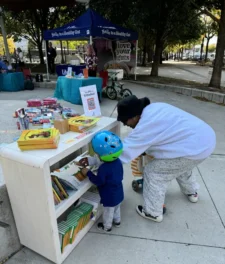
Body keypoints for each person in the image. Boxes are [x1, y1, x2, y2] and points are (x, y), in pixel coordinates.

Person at [79, 95, 216, 223]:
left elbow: (119, 153)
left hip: (194, 146)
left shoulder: (146, 125)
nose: (125, 125)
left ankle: (153, 212)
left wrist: (94, 161)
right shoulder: (155, 108)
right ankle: (192, 192)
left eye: (125, 120)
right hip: (205, 139)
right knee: (180, 166)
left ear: (135, 116)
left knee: (154, 172)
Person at [80, 131, 124, 232]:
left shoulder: (104, 168)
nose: (97, 156)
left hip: (109, 195)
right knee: (117, 208)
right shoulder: (118, 161)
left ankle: (107, 227)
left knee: (108, 212)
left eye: (98, 154)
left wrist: (88, 173)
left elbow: (99, 181)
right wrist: (89, 160)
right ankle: (117, 221)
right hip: (118, 191)